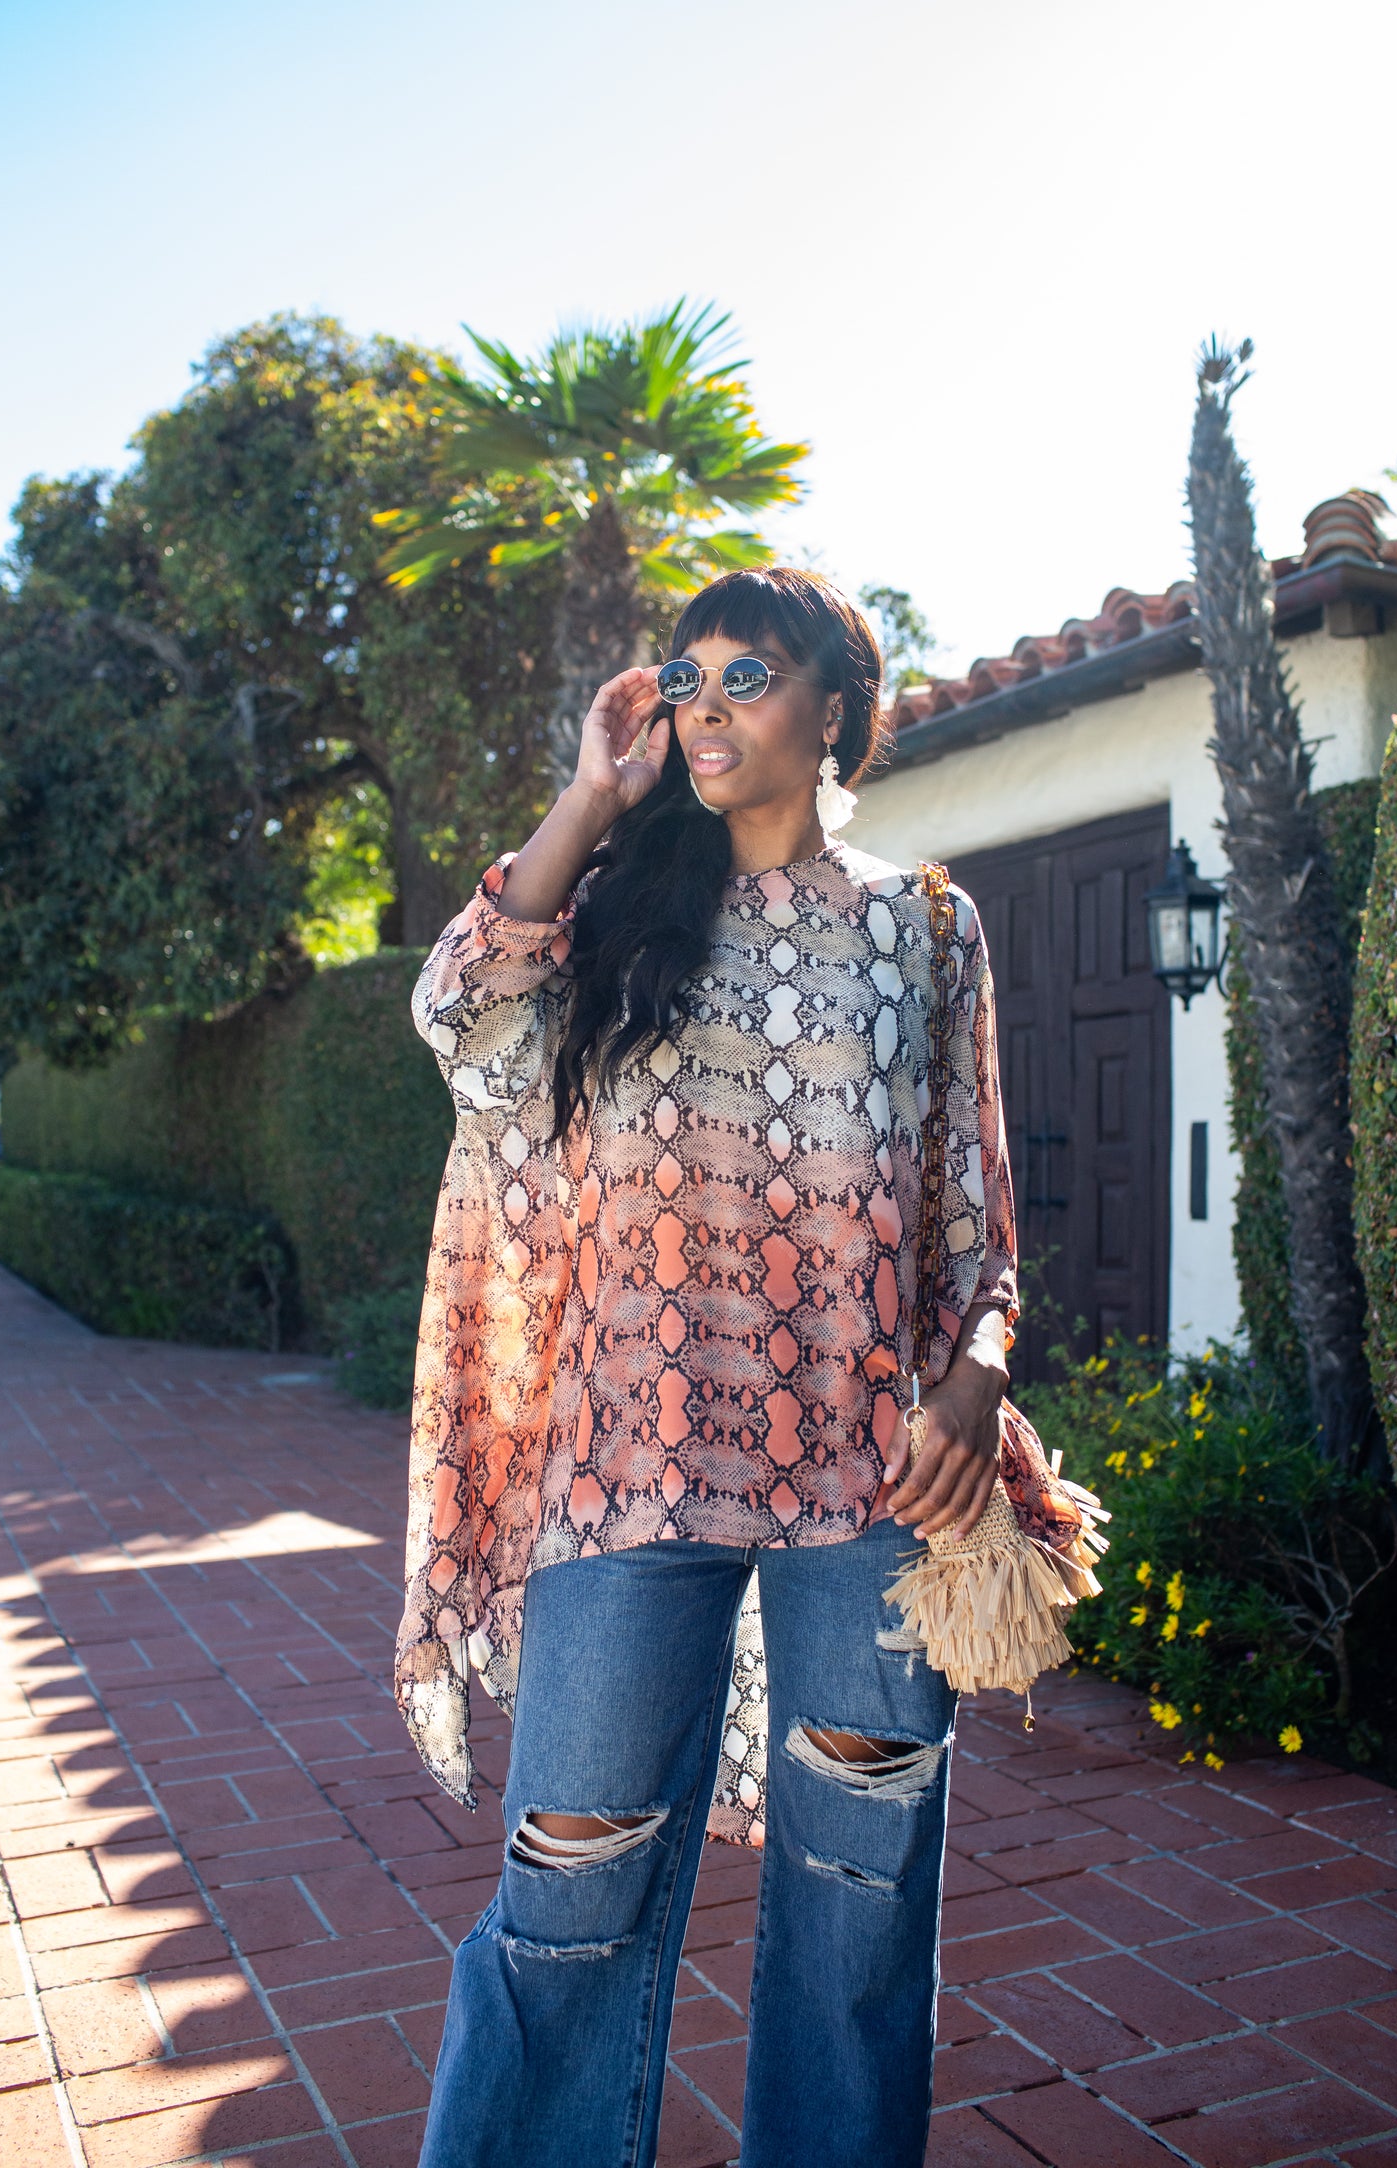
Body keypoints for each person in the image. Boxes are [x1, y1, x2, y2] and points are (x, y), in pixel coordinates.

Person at [399, 566, 1018, 2168]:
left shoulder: (926, 928)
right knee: (567, 1878)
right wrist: (588, 796)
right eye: (688, 679)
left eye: (752, 674)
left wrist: (976, 1380)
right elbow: (460, 1012)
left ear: (836, 713)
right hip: (629, 1473)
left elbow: (976, 1228)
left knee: (859, 1904)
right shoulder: (609, 919)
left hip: (872, 1485)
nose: (710, 702)